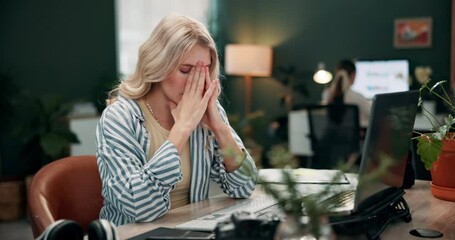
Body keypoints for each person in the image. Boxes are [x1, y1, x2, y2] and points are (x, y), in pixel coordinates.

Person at [95, 14, 258, 226]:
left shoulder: (206, 112)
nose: (196, 81)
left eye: (204, 71)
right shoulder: (119, 117)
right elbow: (139, 208)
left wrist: (219, 128)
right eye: (185, 70)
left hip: (191, 229)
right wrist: (182, 129)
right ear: (158, 64)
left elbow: (244, 186)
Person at [322, 59, 371, 128]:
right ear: (353, 75)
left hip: (331, 137)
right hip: (353, 138)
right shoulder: (358, 97)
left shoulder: (326, 94)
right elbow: (372, 115)